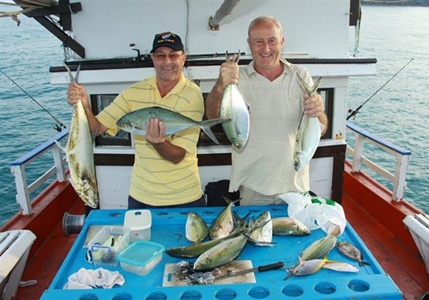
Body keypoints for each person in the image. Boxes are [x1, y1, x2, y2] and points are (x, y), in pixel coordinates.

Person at [67, 31, 206, 209]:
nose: (167, 62)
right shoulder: (134, 92)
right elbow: (95, 129)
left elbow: (178, 156)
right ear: (153, 59)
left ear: (183, 58)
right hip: (141, 195)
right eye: (160, 56)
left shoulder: (192, 94)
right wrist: (84, 105)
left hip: (185, 196)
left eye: (173, 55)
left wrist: (158, 143)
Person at [205, 16, 328, 206]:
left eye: (272, 40)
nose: (266, 48)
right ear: (249, 44)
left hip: (294, 186)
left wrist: (318, 110)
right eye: (258, 41)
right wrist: (221, 84)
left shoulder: (300, 75)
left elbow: (321, 127)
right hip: (253, 186)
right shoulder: (238, 77)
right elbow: (213, 117)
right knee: (256, 235)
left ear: (282, 42)